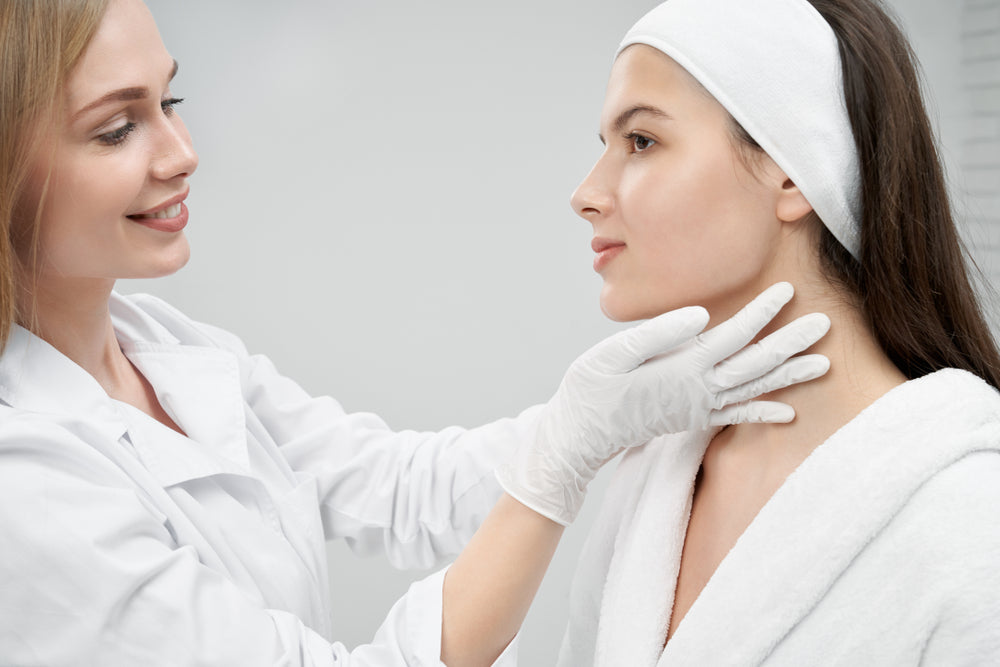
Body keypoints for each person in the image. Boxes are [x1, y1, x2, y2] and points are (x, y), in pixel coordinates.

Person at [0, 0, 833, 665]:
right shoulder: (23, 485)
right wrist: (564, 453)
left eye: (170, 102)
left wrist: (606, 421)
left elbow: (401, 489)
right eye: (117, 129)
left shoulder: (172, 350)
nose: (182, 152)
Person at [557, 0, 1000, 665]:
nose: (586, 194)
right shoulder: (654, 468)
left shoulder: (973, 522)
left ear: (792, 169)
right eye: (607, 147)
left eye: (641, 141)